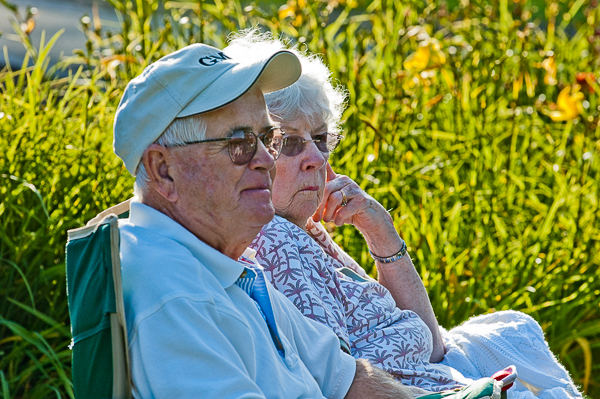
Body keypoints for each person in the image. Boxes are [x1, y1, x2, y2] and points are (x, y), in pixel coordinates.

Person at [223, 31, 583, 398]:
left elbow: (430, 344)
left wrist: (380, 231)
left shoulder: (307, 233)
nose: (315, 159)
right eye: (289, 143)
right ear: (251, 153)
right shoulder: (274, 239)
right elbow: (339, 380)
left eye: (320, 139)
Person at [112, 41, 419, 398]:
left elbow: (349, 379)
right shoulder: (170, 295)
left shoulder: (233, 270)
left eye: (269, 138)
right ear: (163, 170)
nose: (267, 160)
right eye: (240, 142)